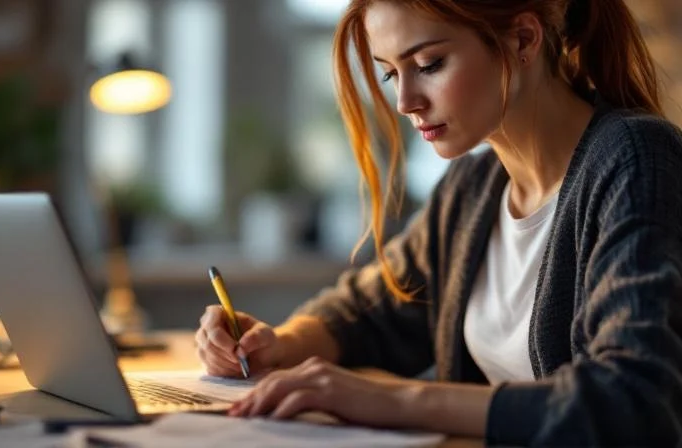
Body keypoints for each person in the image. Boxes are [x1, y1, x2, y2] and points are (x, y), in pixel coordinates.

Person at [195, 0, 682, 445]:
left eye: (429, 65)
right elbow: (373, 310)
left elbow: (632, 400)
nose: (405, 101)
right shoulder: (473, 187)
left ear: (524, 40)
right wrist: (278, 344)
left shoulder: (635, 160)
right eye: (390, 74)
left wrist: (391, 402)